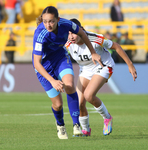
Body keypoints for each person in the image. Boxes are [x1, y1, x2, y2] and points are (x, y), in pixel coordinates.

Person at [32, 6, 103, 139]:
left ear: (58, 20)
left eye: (51, 21)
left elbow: (82, 33)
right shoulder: (39, 34)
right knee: (58, 104)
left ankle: (76, 125)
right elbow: (37, 63)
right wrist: (52, 81)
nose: (48, 24)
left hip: (60, 58)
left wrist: (93, 52)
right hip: (44, 67)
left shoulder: (67, 24)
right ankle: (60, 125)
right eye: (45, 21)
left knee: (69, 85)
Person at [66, 18, 137, 136]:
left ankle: (107, 118)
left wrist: (130, 65)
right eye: (68, 33)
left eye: (73, 32)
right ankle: (85, 130)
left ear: (81, 30)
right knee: (79, 102)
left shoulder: (94, 38)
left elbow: (116, 46)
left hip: (103, 66)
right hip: (85, 70)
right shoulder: (67, 43)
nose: (71, 36)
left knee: (89, 95)